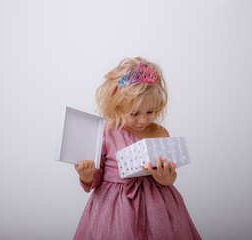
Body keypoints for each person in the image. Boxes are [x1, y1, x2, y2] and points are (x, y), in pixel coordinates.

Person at [74, 57, 201, 240]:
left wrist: (165, 176)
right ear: (117, 107)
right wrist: (86, 175)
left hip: (158, 209)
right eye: (134, 114)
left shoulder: (159, 132)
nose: (143, 120)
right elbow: (96, 178)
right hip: (115, 208)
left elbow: (170, 176)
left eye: (150, 112)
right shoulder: (108, 133)